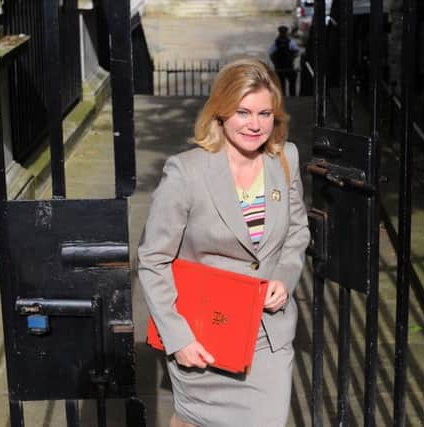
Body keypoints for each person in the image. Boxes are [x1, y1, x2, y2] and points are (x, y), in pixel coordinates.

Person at [138, 58, 310, 427]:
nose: (255, 124)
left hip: (268, 335)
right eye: (243, 112)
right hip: (204, 335)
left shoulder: (285, 158)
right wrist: (177, 337)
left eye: (265, 113)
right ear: (220, 112)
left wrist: (285, 275)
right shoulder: (186, 172)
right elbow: (153, 260)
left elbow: (297, 230)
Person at [268, 26, 300, 96]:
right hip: (289, 66)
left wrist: (275, 62)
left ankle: (283, 97)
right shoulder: (290, 42)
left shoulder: (276, 42)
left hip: (279, 67)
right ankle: (292, 96)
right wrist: (292, 58)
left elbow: (270, 53)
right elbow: (297, 51)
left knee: (281, 84)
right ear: (286, 32)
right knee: (292, 83)